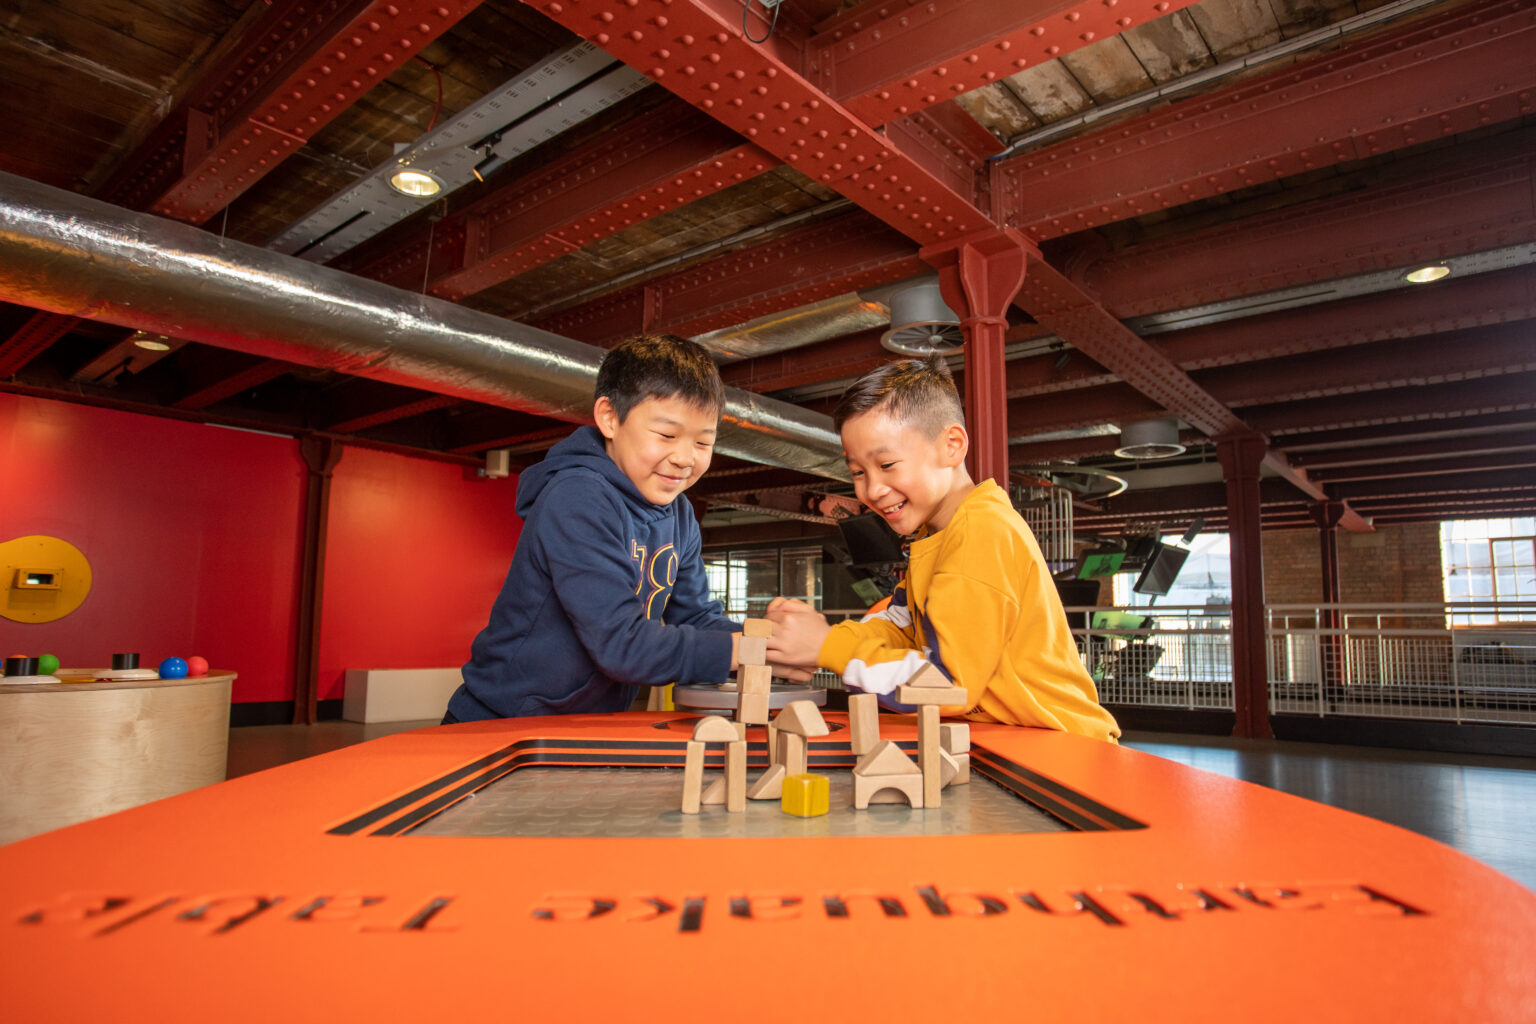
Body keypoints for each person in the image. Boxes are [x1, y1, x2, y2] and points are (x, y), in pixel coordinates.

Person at [765, 356, 1120, 742]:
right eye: (858, 472)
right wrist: (818, 638)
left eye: (887, 464)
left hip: (1062, 746)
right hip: (1012, 737)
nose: (872, 489)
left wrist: (827, 647)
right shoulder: (934, 538)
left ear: (951, 446)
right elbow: (899, 624)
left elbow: (945, 682)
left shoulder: (980, 532)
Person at [444, 334, 744, 722]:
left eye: (703, 443)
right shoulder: (578, 496)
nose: (685, 458)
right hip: (501, 721)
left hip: (585, 725)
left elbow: (697, 618)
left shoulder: (680, 515)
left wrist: (767, 643)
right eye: (667, 435)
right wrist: (738, 652)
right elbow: (622, 644)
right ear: (609, 418)